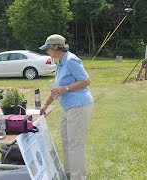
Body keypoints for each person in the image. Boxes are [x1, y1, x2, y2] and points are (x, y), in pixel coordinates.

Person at [39, 34, 93, 180]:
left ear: (56, 48)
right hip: (67, 107)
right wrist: (45, 105)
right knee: (66, 140)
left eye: (48, 49)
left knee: (76, 144)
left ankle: (78, 177)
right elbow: (57, 88)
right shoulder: (60, 63)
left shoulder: (71, 60)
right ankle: (68, 174)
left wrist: (67, 88)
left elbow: (86, 81)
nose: (47, 52)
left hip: (79, 106)